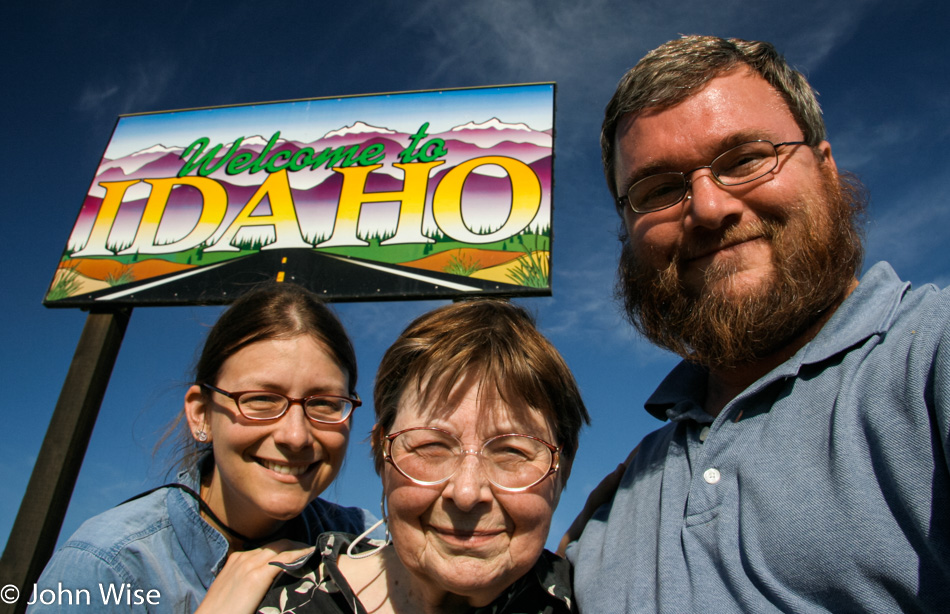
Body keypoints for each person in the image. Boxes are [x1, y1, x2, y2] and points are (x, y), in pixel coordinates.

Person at [566, 35, 950, 612]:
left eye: (745, 159)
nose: (709, 207)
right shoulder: (618, 500)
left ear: (825, 168)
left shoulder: (931, 357)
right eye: (660, 189)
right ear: (625, 227)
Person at [30, 283, 375, 613]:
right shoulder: (106, 567)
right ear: (201, 415)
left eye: (325, 403)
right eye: (260, 400)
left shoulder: (367, 541)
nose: (296, 435)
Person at [256, 298, 589, 613]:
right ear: (380, 453)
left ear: (563, 470)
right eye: (431, 447)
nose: (467, 493)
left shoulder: (591, 602)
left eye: (512, 452)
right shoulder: (285, 600)